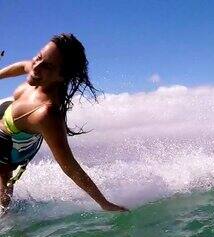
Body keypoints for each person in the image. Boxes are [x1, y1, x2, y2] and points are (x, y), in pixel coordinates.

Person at [0, 33, 127, 213]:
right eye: (39, 57)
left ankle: (4, 214)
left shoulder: (47, 113)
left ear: (62, 76)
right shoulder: (38, 72)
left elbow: (70, 167)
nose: (36, 66)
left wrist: (103, 203)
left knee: (4, 172)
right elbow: (23, 65)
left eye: (48, 66)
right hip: (9, 113)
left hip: (12, 142)